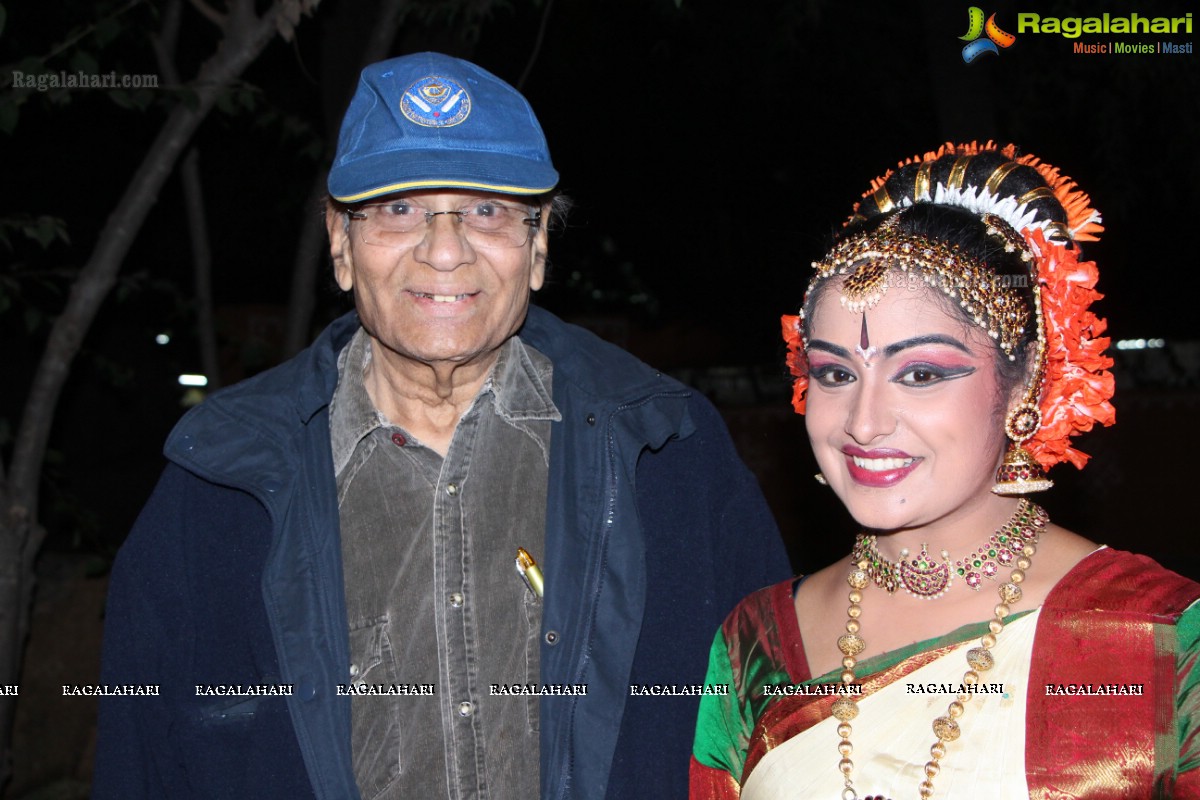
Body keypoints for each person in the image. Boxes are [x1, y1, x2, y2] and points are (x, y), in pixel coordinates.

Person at [93, 51, 790, 800]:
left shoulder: (669, 453)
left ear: (539, 244)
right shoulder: (217, 483)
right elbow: (142, 760)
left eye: (487, 211)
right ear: (340, 242)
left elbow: (778, 733)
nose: (446, 249)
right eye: (399, 210)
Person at [689, 142, 1200, 798]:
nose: (864, 422)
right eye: (835, 373)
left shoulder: (1159, 633)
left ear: (1023, 390)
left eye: (921, 374)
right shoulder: (752, 644)